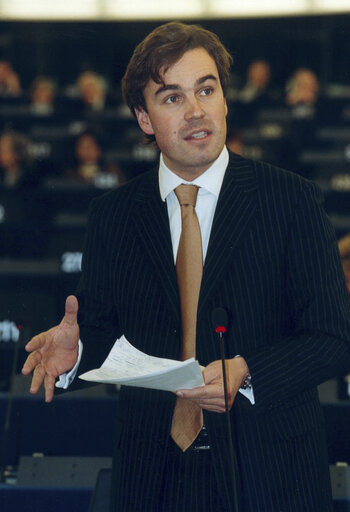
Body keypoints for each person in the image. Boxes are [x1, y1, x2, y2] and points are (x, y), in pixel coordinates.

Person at [22, 21, 350, 512]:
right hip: (152, 478)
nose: (196, 110)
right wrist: (80, 348)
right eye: (172, 97)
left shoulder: (292, 201)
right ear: (144, 118)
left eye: (206, 89)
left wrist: (248, 370)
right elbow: (106, 337)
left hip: (270, 476)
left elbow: (333, 337)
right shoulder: (112, 216)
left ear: (224, 100)